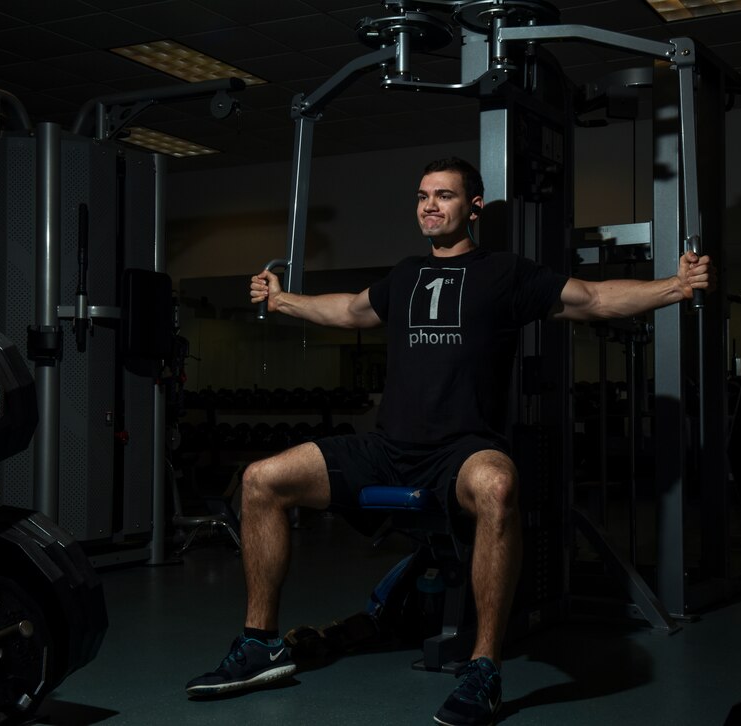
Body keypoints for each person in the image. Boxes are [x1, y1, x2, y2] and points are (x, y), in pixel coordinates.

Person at [185, 156, 711, 726]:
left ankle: (484, 666)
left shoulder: (506, 273)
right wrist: (282, 299)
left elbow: (594, 298)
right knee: (263, 479)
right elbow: (352, 310)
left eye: (444, 195)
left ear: (474, 207)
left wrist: (677, 286)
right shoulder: (406, 273)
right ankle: (261, 645)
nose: (429, 205)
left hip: (460, 450)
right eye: (421, 196)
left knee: (499, 484)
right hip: (388, 448)